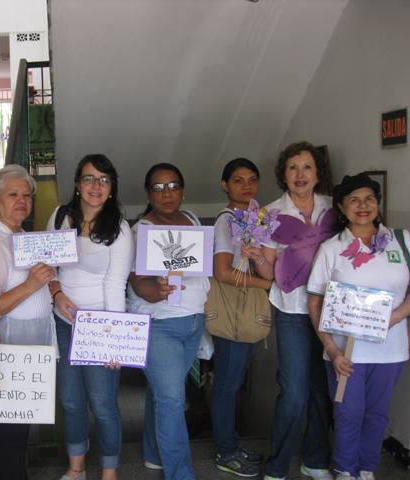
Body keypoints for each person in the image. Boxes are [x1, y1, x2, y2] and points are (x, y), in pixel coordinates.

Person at [308, 172, 410, 480]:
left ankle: (366, 469)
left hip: (390, 351)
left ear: (378, 203)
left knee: (377, 416)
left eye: (369, 199)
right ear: (341, 207)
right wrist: (331, 349)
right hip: (345, 353)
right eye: (354, 200)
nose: (363, 206)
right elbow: (315, 302)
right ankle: (345, 469)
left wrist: (395, 316)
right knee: (348, 414)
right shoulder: (331, 249)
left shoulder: (402, 240)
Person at [48, 154, 133, 480]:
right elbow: (47, 268)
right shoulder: (60, 217)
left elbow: (115, 284)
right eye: (88, 178)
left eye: (103, 180)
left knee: (102, 404)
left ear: (111, 188)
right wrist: (57, 292)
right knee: (70, 401)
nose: (95, 186)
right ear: (77, 184)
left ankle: (109, 471)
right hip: (64, 322)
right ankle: (76, 468)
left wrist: (115, 340)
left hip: (101, 326)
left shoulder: (120, 228)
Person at [0, 164, 56, 480]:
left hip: (27, 351)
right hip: (7, 350)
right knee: (8, 437)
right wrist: (31, 285)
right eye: (13, 194)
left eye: (27, 195)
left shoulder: (19, 236)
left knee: (17, 437)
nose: (22, 201)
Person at [127, 162, 209, 480]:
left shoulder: (190, 220)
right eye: (159, 188)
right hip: (160, 325)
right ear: (149, 193)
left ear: (183, 189)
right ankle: (180, 474)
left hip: (192, 323)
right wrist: (155, 291)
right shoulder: (140, 231)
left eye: (173, 185)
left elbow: (201, 269)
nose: (167, 193)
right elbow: (137, 281)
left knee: (162, 395)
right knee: (173, 400)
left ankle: (152, 454)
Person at [259, 141, 336, 480]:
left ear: (318, 173)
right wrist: (254, 253)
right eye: (293, 167)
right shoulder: (270, 214)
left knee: (322, 388)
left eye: (307, 167)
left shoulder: (335, 208)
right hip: (291, 309)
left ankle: (316, 459)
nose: (300, 174)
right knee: (293, 391)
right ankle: (277, 465)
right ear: (283, 175)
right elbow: (266, 272)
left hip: (332, 310)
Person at [212, 158, 271, 477]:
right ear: (225, 185)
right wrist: (267, 285)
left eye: (252, 179)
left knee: (231, 384)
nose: (246, 186)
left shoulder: (252, 219)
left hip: (241, 310)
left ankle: (231, 444)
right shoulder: (226, 221)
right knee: (227, 386)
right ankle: (226, 452)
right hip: (233, 311)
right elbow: (222, 272)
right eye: (237, 180)